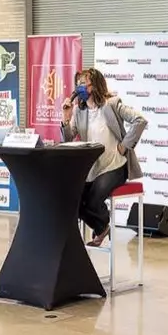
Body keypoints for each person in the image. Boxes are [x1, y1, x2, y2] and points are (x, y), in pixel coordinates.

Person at [61, 68, 147, 247]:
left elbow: (140, 120)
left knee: (93, 199)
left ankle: (100, 230)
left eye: (84, 83)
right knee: (73, 201)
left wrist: (124, 146)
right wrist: (65, 118)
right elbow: (67, 138)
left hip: (114, 165)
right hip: (92, 169)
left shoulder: (112, 104)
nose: (80, 88)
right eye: (78, 84)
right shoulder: (79, 111)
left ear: (96, 85)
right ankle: (103, 228)